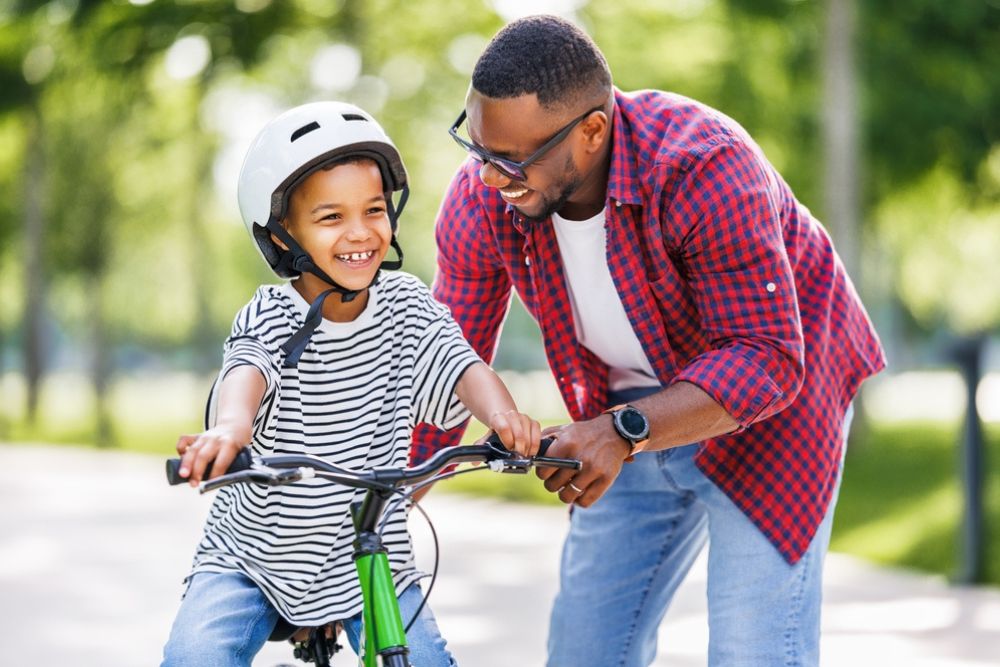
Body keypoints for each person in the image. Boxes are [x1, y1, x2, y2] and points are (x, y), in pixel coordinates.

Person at [413, 14, 886, 667]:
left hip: (772, 409)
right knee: (585, 652)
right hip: (624, 410)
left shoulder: (702, 164)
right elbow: (447, 364)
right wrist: (378, 504)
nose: (490, 177)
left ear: (592, 132)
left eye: (511, 160)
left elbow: (767, 358)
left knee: (753, 649)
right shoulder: (482, 200)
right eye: (478, 148)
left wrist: (622, 429)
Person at [161, 101, 541, 667]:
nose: (361, 233)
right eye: (331, 217)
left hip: (370, 552)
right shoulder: (270, 312)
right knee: (197, 657)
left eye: (374, 210)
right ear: (281, 234)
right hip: (254, 555)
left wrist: (503, 418)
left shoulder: (407, 304)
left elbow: (463, 366)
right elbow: (247, 371)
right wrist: (230, 431)